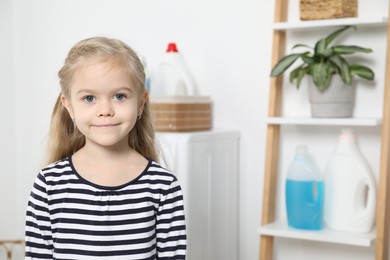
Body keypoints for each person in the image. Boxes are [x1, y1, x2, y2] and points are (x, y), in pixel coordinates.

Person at [25, 37, 187, 259]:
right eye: (89, 98)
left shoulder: (163, 186)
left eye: (119, 96)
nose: (105, 110)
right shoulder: (49, 185)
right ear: (69, 106)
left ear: (141, 102)